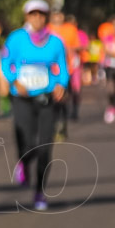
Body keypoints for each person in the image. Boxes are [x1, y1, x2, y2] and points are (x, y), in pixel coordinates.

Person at [2, 0, 68, 211]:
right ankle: (23, 162)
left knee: (45, 147)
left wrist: (61, 84)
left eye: (41, 14)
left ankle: (40, 192)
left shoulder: (55, 42)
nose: (37, 18)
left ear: (46, 17)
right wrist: (14, 80)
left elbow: (63, 68)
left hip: (46, 98)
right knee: (27, 141)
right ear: (26, 17)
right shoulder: (16, 39)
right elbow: (5, 63)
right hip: (22, 97)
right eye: (33, 14)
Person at [49, 10, 80, 139]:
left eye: (60, 14)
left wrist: (68, 49)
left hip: (65, 69)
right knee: (50, 101)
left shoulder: (70, 29)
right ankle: (52, 127)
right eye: (55, 15)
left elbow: (77, 46)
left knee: (62, 99)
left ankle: (63, 127)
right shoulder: (46, 30)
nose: (58, 17)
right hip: (49, 71)